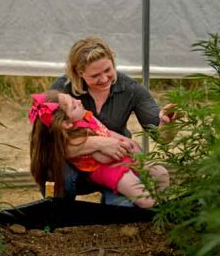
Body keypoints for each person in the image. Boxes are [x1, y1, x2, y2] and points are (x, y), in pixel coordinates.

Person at [50, 36, 177, 205]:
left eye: (108, 70)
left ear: (113, 62)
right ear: (79, 73)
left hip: (116, 163)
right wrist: (99, 144)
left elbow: (161, 136)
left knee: (122, 209)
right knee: (61, 177)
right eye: (95, 75)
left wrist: (168, 124)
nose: (104, 79)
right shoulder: (61, 92)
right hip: (75, 164)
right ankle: (57, 220)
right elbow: (48, 142)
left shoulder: (131, 89)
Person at [29, 90, 170, 208]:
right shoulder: (76, 134)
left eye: (73, 99)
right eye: (73, 106)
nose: (78, 101)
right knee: (141, 196)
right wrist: (115, 146)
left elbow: (105, 131)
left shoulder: (86, 117)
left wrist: (124, 141)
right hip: (111, 168)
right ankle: (154, 210)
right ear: (66, 123)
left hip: (123, 156)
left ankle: (165, 204)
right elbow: (103, 158)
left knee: (161, 172)